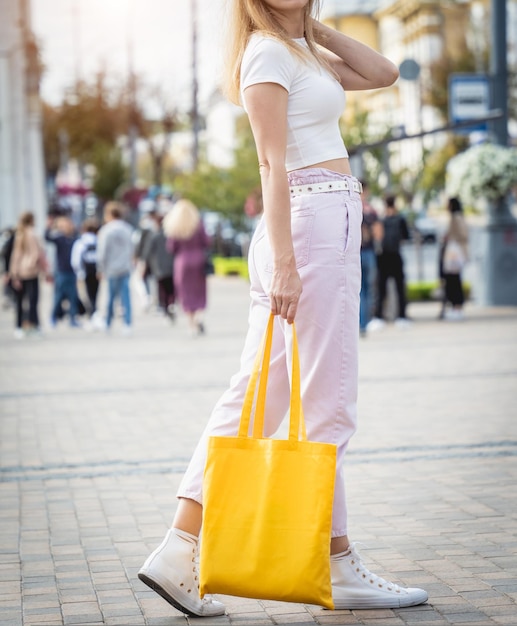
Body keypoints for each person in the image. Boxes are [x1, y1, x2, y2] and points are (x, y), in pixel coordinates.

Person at [138, 0, 428, 617]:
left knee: (260, 392)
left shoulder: (295, 50)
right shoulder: (267, 55)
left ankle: (179, 547)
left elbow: (383, 72)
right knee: (329, 399)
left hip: (320, 223)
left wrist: (310, 27)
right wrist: (288, 263)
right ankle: (334, 560)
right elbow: (271, 163)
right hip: (310, 226)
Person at [163, 199, 210, 336]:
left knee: (185, 292)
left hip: (182, 262)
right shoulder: (198, 224)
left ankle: (191, 324)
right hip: (199, 260)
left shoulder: (175, 227)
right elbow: (207, 241)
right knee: (199, 290)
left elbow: (171, 248)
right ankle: (199, 316)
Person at [370, 195, 411, 329]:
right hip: (396, 255)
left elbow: (376, 236)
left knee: (381, 289)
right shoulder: (400, 219)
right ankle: (402, 316)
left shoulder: (381, 219)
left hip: (383, 256)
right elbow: (406, 236)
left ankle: (379, 317)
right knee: (399, 288)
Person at [96, 201, 134, 335]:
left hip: (111, 268)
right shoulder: (127, 229)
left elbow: (102, 252)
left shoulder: (106, 230)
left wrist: (100, 268)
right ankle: (127, 324)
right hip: (125, 267)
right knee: (126, 297)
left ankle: (107, 323)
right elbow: (132, 248)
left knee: (110, 297)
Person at [9, 212, 48, 338]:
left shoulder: (19, 234)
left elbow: (16, 256)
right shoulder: (32, 233)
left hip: (20, 271)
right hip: (31, 272)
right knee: (33, 300)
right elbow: (38, 253)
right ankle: (33, 326)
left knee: (20, 300)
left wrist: (13, 273)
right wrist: (44, 270)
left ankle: (19, 327)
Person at [45, 215, 81, 328]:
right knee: (58, 296)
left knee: (73, 296)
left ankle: (73, 318)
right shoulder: (59, 238)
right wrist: (48, 226)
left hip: (72, 271)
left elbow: (78, 235)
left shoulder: (74, 238)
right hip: (61, 271)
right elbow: (47, 238)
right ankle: (53, 317)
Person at [439, 197, 469, 321]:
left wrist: (450, 237)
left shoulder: (456, 217)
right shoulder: (455, 217)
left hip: (454, 255)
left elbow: (463, 234)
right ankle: (455, 307)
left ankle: (457, 308)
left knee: (454, 281)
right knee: (452, 281)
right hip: (452, 254)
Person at [142, 211, 176, 320]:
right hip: (170, 265)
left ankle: (164, 306)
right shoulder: (170, 235)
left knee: (161, 288)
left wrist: (144, 264)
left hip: (158, 266)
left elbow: (147, 252)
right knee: (171, 287)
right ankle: (171, 303)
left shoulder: (154, 236)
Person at [359, 181, 382, 336]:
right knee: (368, 290)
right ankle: (364, 324)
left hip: (353, 254)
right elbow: (378, 234)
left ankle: (357, 324)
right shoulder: (371, 211)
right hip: (368, 253)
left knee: (356, 291)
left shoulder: (349, 208)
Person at [71, 218, 102, 328]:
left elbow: (76, 259)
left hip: (86, 272)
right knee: (95, 293)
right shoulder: (98, 240)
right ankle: (94, 312)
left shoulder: (81, 241)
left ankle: (92, 313)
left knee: (88, 294)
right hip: (97, 271)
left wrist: (79, 272)